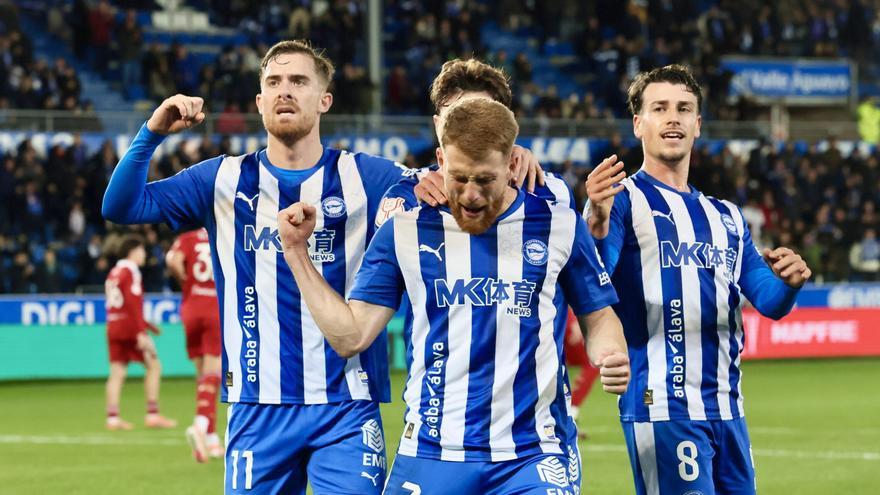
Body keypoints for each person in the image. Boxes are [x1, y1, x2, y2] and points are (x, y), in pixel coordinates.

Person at [103, 40, 421, 494]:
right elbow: (121, 205)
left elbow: (453, 184)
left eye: (298, 81)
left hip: (347, 407)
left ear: (324, 100)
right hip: (258, 407)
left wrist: (515, 159)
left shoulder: (367, 177)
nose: (284, 91)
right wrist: (151, 133)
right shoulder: (221, 179)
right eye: (273, 82)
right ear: (259, 101)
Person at [279, 97, 631, 494]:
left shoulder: (559, 227)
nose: (470, 195)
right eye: (459, 178)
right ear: (440, 160)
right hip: (431, 452)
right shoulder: (404, 232)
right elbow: (351, 336)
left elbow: (598, 316)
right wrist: (296, 253)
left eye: (485, 180)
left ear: (512, 164)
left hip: (531, 454)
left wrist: (610, 353)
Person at [584, 65, 812, 495]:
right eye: (660, 108)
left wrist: (790, 282)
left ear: (698, 125)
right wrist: (594, 218)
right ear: (639, 124)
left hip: (728, 407)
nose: (673, 118)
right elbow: (595, 276)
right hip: (662, 405)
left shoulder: (726, 215)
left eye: (684, 109)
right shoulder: (622, 201)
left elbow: (768, 300)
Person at [377, 57, 589, 490]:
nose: (474, 125)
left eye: (487, 115)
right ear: (438, 125)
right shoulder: (407, 198)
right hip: (441, 433)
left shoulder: (550, 193)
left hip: (536, 436)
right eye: (458, 115)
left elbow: (580, 276)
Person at [104, 235, 177, 431]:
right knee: (154, 365)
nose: (144, 255)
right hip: (130, 329)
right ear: (134, 251)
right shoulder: (131, 271)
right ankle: (153, 414)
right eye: (142, 251)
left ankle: (112, 418)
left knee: (117, 372)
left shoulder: (114, 272)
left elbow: (121, 305)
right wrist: (141, 332)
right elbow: (133, 302)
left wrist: (149, 326)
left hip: (113, 326)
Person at [166, 227, 224, 462]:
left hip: (190, 307)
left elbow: (173, 260)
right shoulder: (222, 233)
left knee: (202, 376)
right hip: (213, 306)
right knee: (215, 372)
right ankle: (200, 424)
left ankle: (211, 439)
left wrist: (185, 281)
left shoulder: (187, 238)